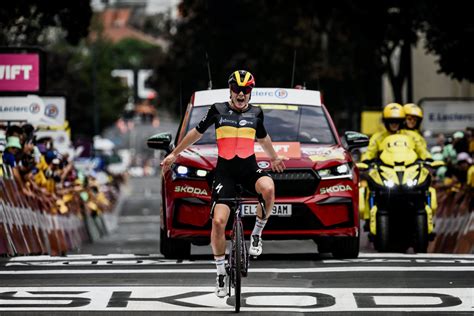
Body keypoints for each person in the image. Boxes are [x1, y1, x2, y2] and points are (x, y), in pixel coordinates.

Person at [160, 70, 287, 298]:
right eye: (237, 90)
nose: (241, 94)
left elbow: (263, 138)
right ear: (230, 90)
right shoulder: (217, 109)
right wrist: (174, 155)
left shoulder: (257, 112)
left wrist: (275, 157)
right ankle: (220, 272)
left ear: (250, 92)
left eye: (246, 90)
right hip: (225, 172)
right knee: (218, 222)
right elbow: (196, 133)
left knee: (268, 189)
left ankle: (257, 233)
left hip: (249, 169)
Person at [362, 103, 431, 162]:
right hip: (383, 171)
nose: (394, 124)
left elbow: (421, 149)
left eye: (397, 121)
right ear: (386, 122)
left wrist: (428, 158)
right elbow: (369, 152)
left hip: (409, 170)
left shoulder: (413, 135)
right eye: (391, 121)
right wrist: (365, 160)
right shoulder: (377, 137)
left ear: (401, 122)